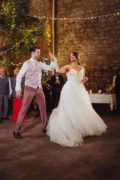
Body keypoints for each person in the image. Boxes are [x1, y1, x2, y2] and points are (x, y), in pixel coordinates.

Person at [47, 52, 107, 147]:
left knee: (82, 108)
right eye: (70, 56)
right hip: (69, 89)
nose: (71, 57)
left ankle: (82, 128)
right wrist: (55, 60)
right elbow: (58, 70)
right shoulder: (68, 67)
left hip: (80, 89)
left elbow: (82, 80)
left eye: (73, 55)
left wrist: (85, 80)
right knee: (71, 108)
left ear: (77, 57)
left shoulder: (82, 68)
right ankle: (73, 128)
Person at [13, 47, 54, 139]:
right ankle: (16, 130)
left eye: (39, 52)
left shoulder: (40, 63)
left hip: (39, 89)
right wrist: (18, 89)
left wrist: (52, 61)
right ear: (32, 53)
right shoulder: (26, 64)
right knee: (24, 109)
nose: (39, 54)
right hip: (29, 89)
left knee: (43, 109)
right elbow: (19, 76)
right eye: (38, 52)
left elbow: (50, 68)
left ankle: (44, 127)